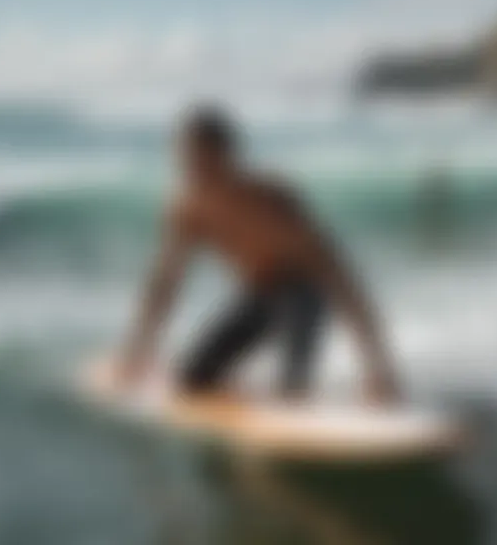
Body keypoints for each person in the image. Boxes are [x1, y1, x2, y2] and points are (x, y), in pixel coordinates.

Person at [114, 106, 401, 403]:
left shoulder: (270, 200)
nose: (193, 170)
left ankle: (303, 393)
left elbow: (340, 276)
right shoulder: (189, 211)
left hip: (303, 294)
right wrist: (137, 351)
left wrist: (379, 366)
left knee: (292, 388)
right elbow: (165, 283)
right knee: (192, 380)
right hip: (258, 297)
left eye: (201, 160)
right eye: (186, 160)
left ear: (227, 157)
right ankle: (258, 389)